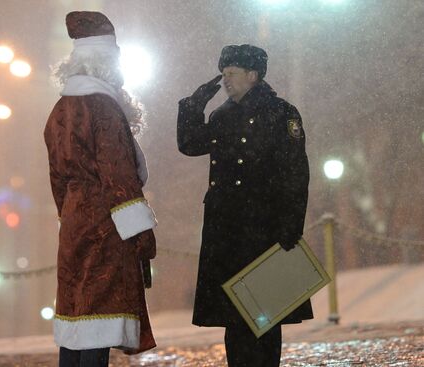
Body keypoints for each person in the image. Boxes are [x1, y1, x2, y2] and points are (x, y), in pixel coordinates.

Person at [176, 44, 313, 366]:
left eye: (231, 73)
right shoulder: (222, 114)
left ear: (252, 75)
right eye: (223, 74)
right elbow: (190, 144)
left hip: (263, 228)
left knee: (264, 314)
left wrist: (291, 225)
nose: (225, 80)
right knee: (234, 315)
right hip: (226, 229)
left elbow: (296, 172)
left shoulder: (281, 113)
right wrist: (193, 105)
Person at [44, 11, 157, 367]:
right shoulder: (104, 108)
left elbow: (57, 178)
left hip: (75, 221)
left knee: (78, 316)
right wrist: (141, 233)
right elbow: (118, 176)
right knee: (101, 317)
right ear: (107, 61)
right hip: (107, 225)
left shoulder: (60, 110)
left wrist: (69, 215)